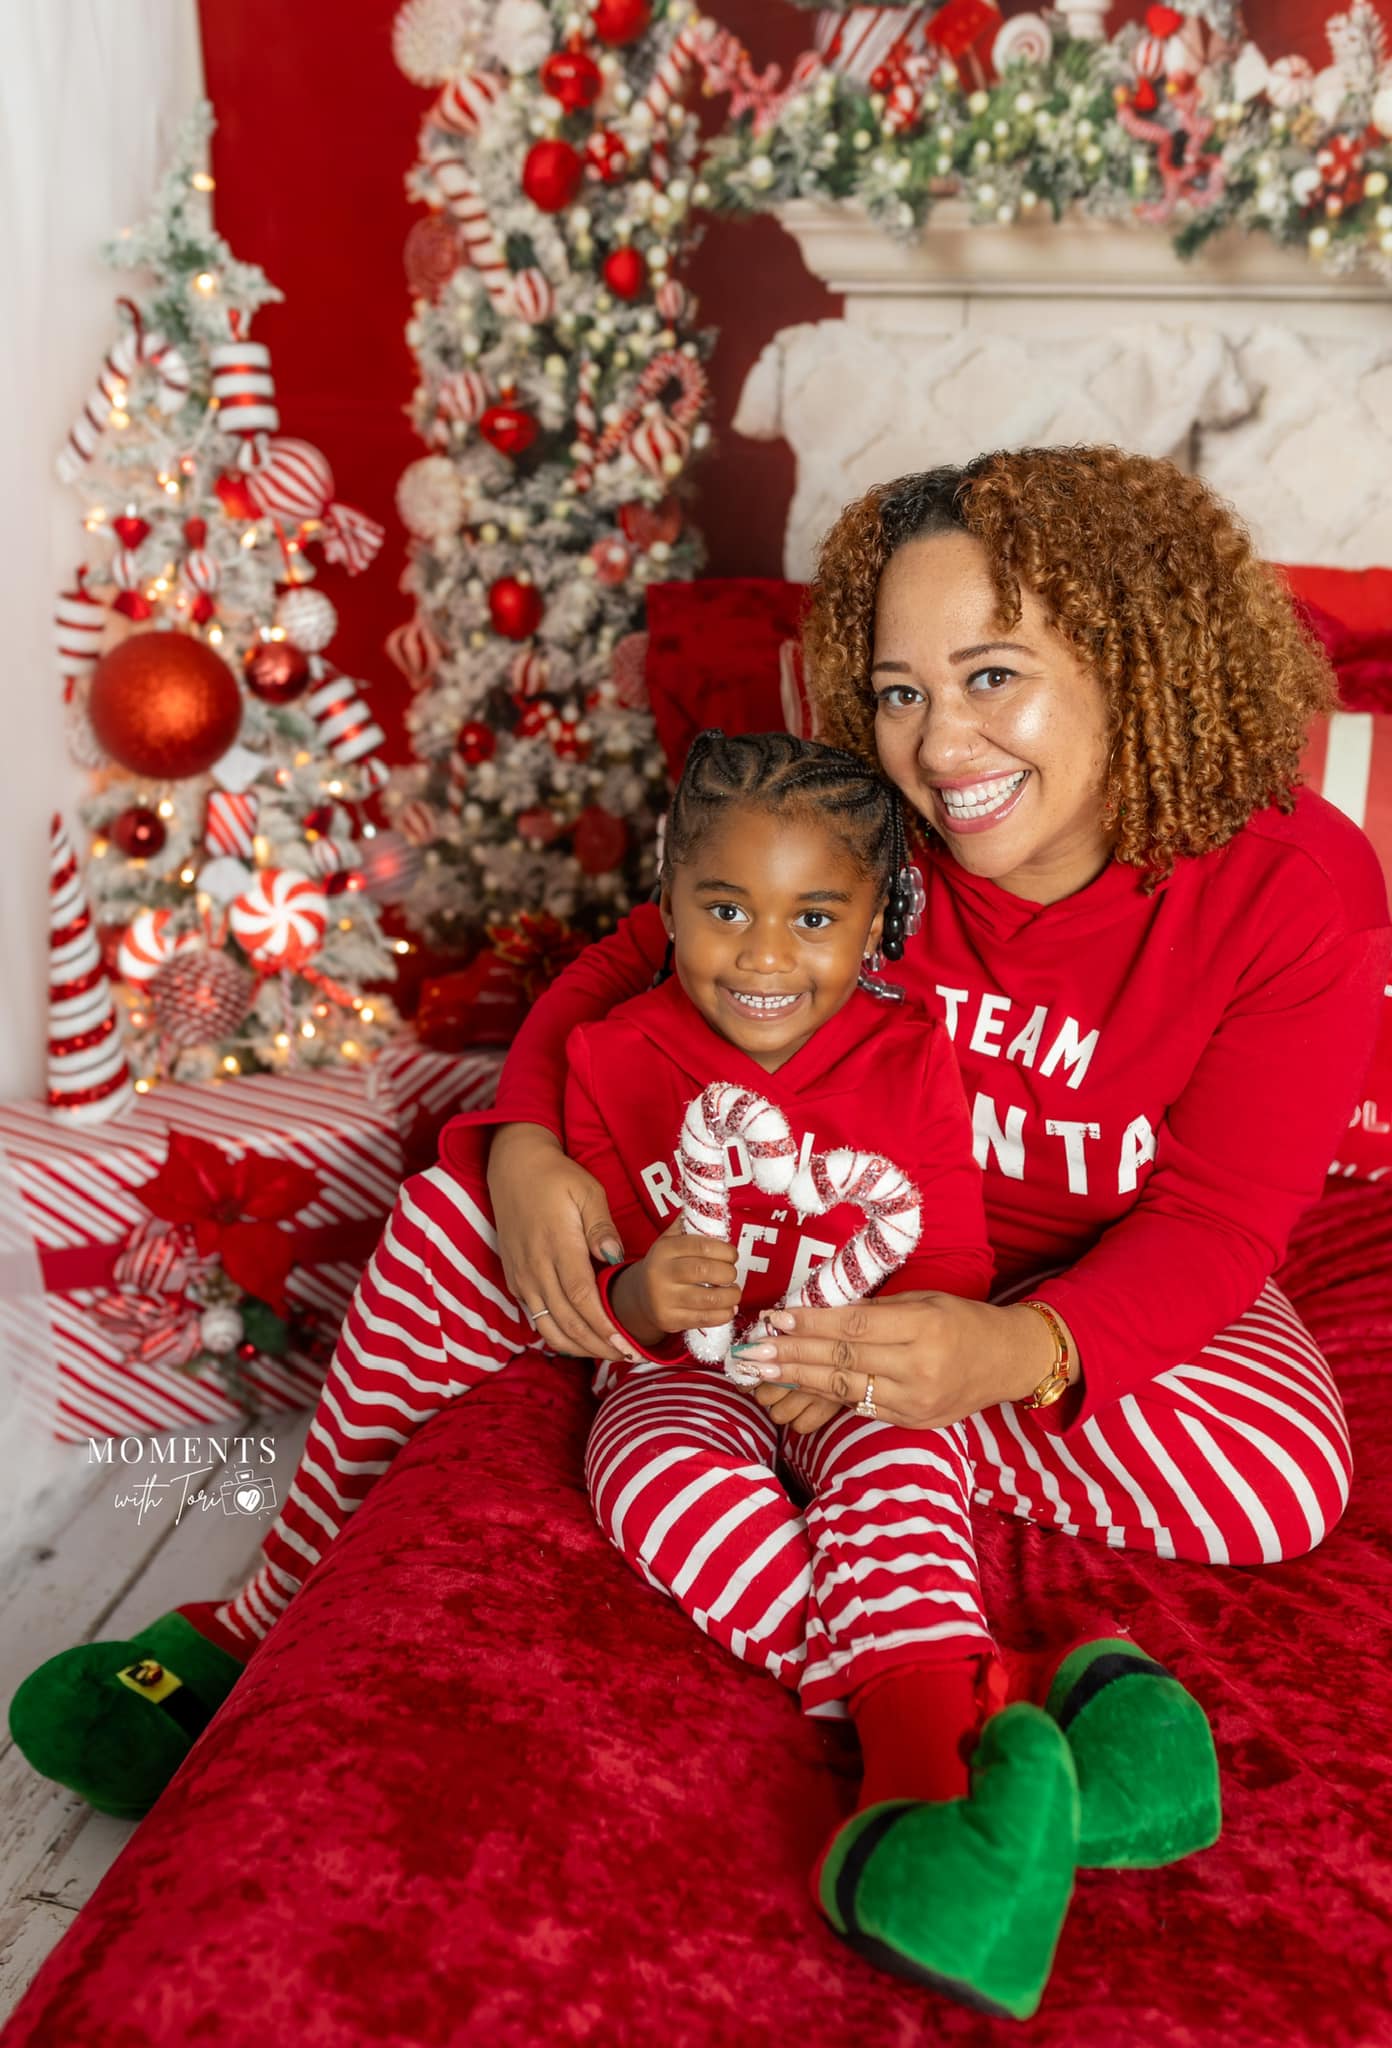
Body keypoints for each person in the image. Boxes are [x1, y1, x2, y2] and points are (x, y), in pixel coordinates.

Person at [11, 447, 1386, 1996]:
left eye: (994, 675)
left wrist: (1007, 1349)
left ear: (1135, 661)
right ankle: (255, 1620)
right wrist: (524, 1142)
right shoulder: (878, 831)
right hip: (788, 1227)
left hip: (1060, 1274)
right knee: (451, 1225)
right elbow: (624, 965)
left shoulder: (1292, 892)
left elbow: (1215, 1223)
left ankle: (798, 1443)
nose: (942, 745)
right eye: (898, 691)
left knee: (1285, 1480)